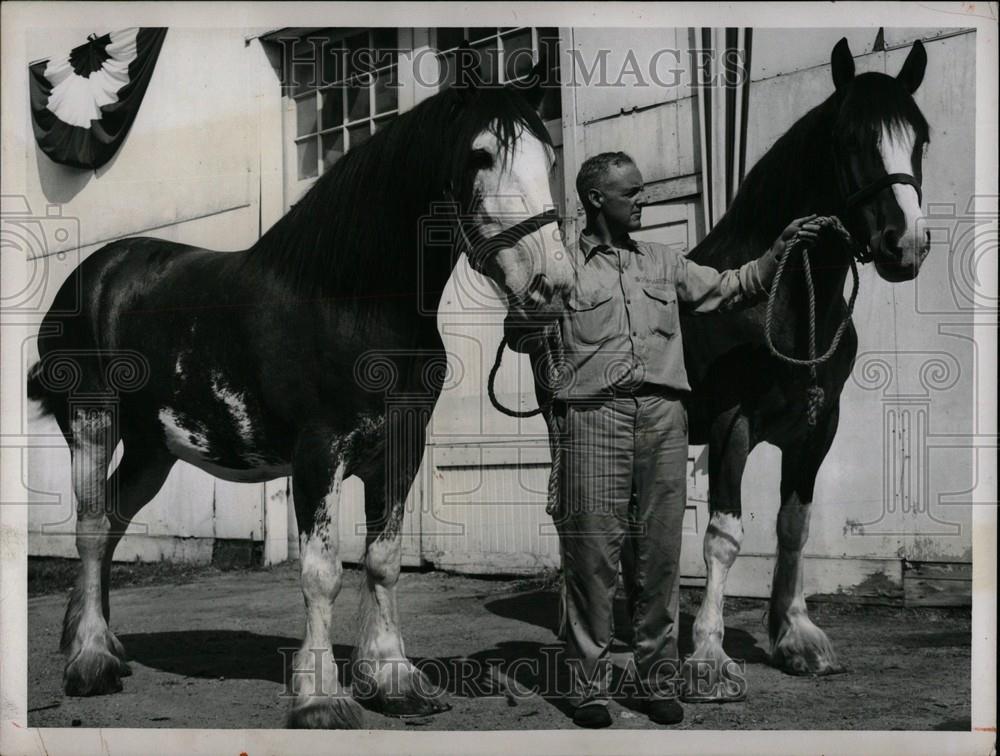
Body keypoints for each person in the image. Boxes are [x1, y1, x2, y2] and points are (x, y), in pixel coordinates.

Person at [506, 152, 819, 729]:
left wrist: (776, 253)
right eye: (632, 191)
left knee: (659, 557)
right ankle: (587, 686)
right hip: (592, 418)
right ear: (597, 199)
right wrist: (529, 308)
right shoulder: (562, 264)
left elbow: (730, 288)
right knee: (592, 557)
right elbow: (521, 332)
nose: (643, 199)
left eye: (642, 189)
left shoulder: (665, 262)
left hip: (664, 417)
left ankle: (655, 680)